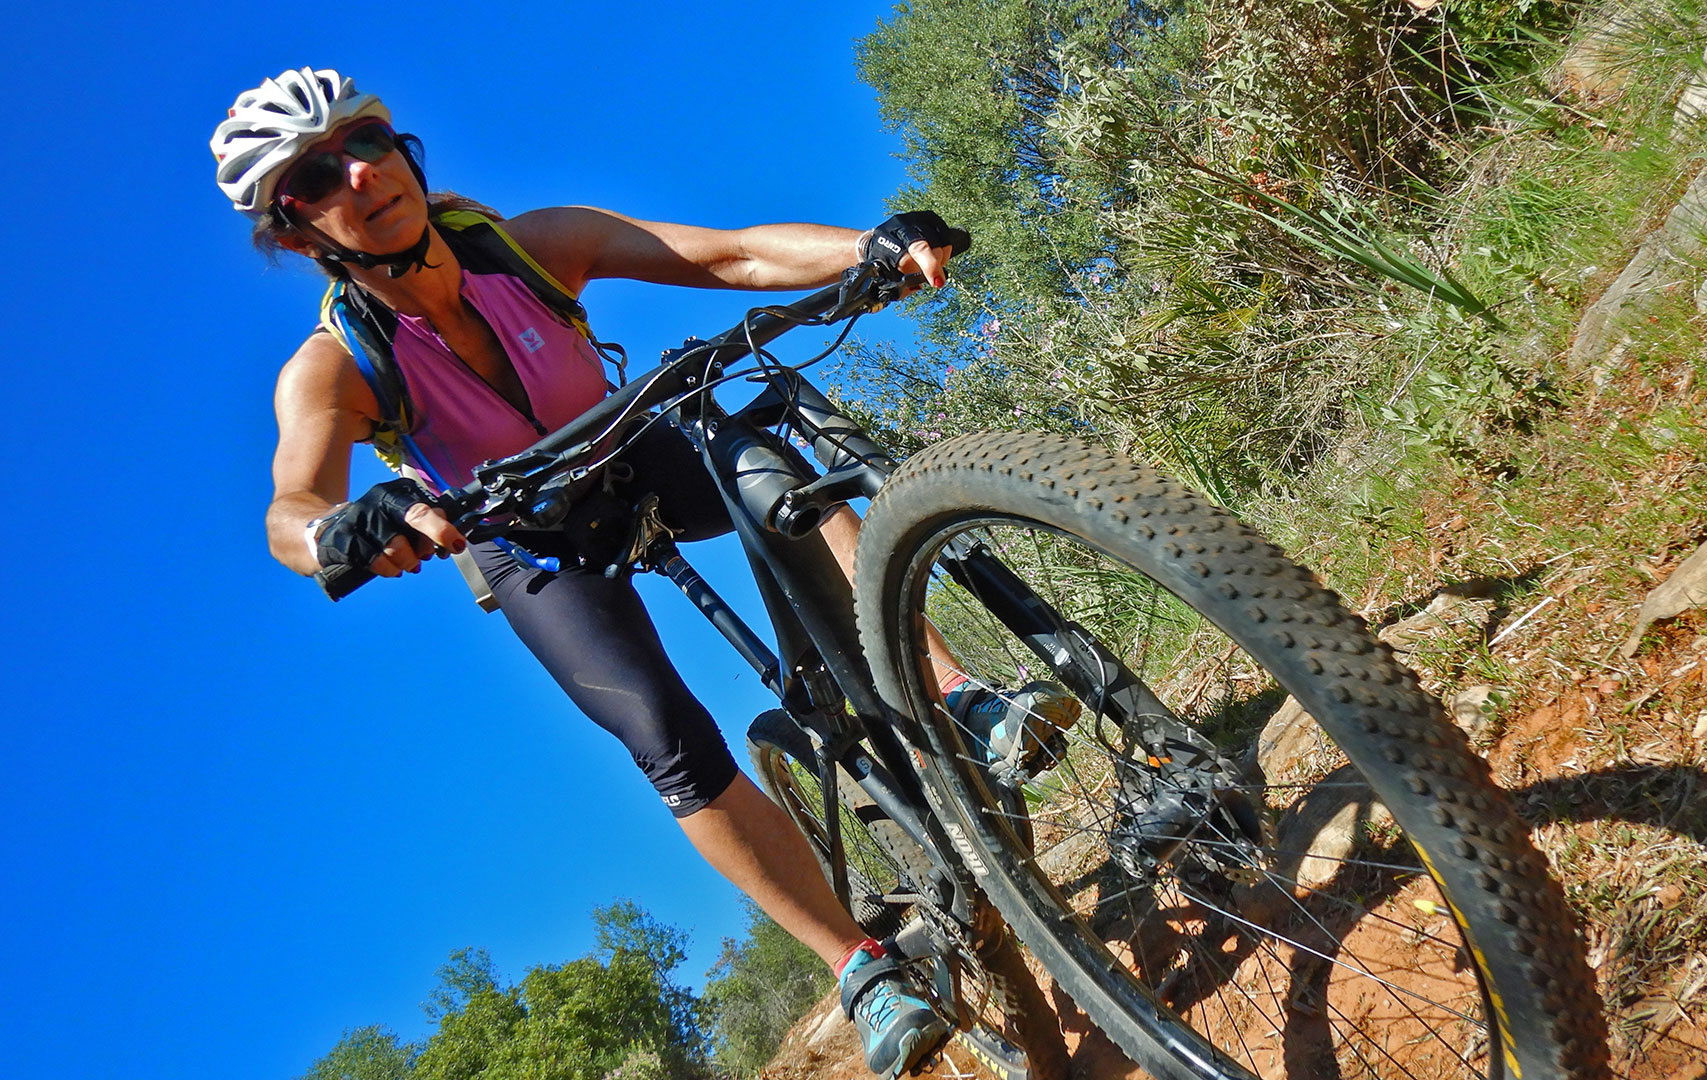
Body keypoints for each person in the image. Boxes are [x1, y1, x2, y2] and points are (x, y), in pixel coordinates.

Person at [211, 66, 1072, 1078]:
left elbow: (731, 255)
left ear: (403, 149)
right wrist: (350, 528)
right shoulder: (335, 366)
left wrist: (872, 248)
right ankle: (860, 965)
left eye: (365, 141)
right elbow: (290, 507)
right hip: (525, 540)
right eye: (316, 177)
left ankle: (958, 694)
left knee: (773, 461)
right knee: (662, 736)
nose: (356, 174)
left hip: (625, 449)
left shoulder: (530, 248)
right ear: (296, 230)